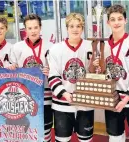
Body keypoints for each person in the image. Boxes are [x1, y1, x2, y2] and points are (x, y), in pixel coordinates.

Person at [92, 5, 129, 142]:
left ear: (126, 20)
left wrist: (126, 99)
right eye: (112, 19)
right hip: (112, 100)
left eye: (120, 18)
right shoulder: (104, 46)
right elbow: (104, 75)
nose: (116, 22)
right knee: (115, 137)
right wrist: (98, 68)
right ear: (108, 23)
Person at [47, 13, 95, 142]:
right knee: (62, 139)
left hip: (85, 103)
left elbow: (95, 74)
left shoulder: (91, 46)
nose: (75, 29)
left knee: (85, 139)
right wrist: (65, 94)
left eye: (78, 26)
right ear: (67, 28)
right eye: (72, 26)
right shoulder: (56, 49)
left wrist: (98, 69)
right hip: (62, 104)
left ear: (82, 28)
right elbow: (53, 75)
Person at [7, 13, 53, 142]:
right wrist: (12, 67)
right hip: (25, 96)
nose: (33, 31)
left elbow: (57, 71)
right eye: (30, 28)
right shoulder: (17, 47)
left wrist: (51, 71)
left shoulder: (50, 46)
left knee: (45, 127)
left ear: (40, 27)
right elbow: (9, 70)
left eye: (35, 27)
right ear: (25, 29)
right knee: (27, 127)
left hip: (45, 94)